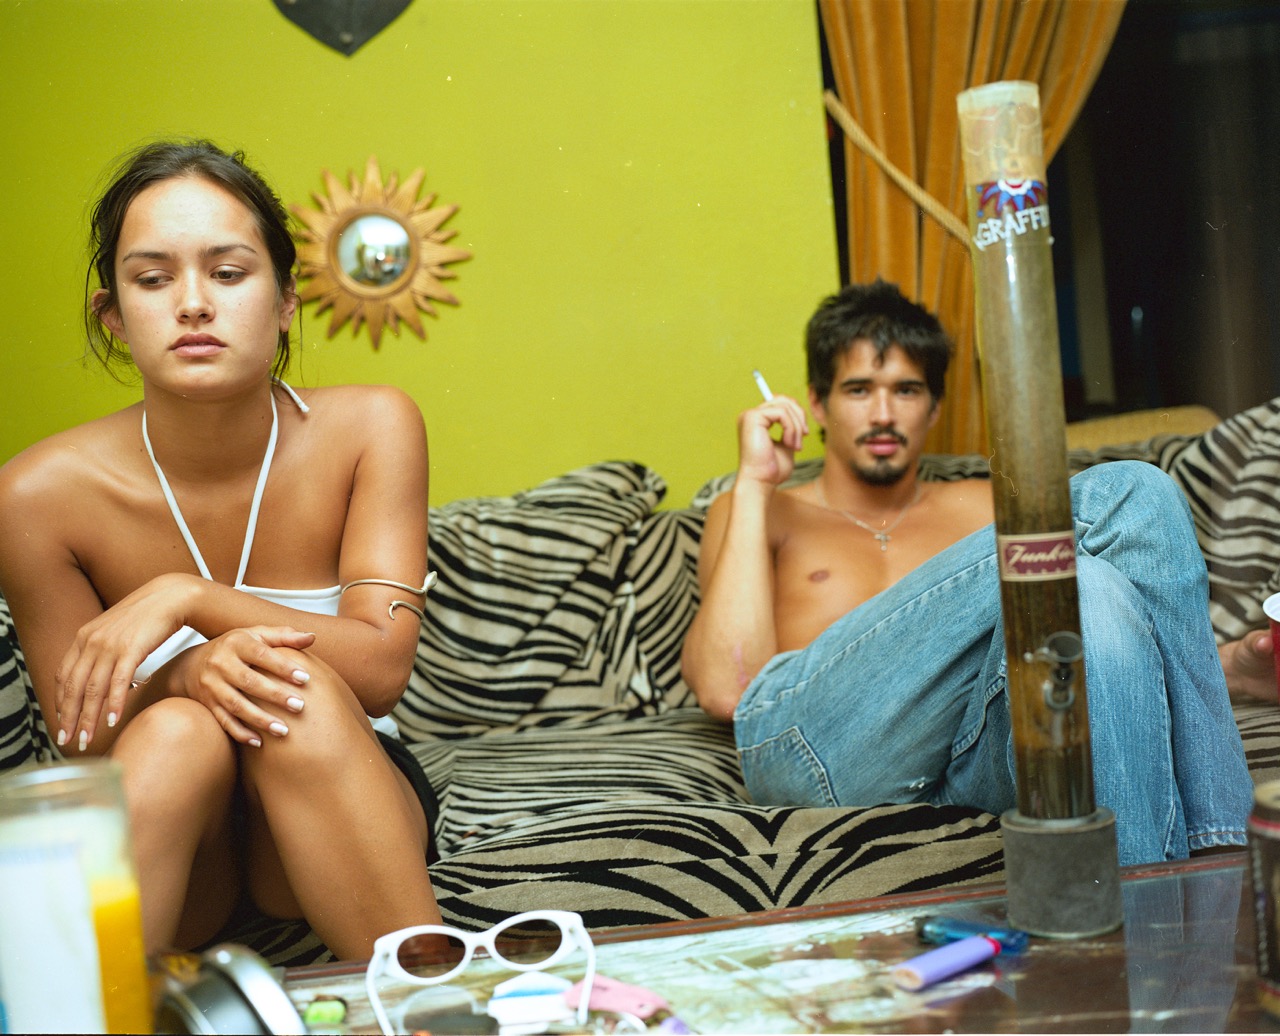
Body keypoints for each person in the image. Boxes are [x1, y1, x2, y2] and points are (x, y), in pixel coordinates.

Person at [0, 140, 443, 960]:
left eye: (229, 273)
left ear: (284, 302)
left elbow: (380, 672)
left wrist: (187, 597)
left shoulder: (373, 425)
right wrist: (189, 674)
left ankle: (433, 1002)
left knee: (292, 688)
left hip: (333, 783)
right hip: (181, 830)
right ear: (114, 315)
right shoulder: (34, 495)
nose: (193, 305)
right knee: (176, 732)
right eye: (153, 278)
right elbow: (80, 735)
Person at [681, 279, 1253, 866]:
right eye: (858, 389)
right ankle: (1229, 854)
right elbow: (730, 690)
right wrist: (753, 483)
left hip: (976, 761)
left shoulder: (984, 505)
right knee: (1135, 492)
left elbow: (1125, 649)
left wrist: (1237, 664)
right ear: (818, 403)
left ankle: (1144, 916)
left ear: (934, 406)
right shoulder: (766, 508)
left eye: (906, 390)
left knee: (1092, 591)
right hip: (822, 753)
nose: (882, 413)